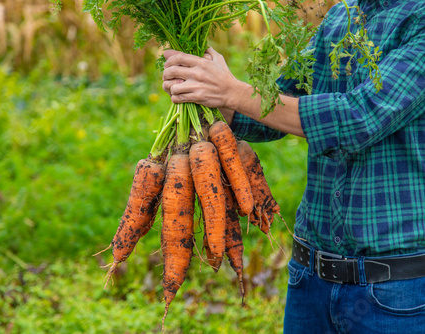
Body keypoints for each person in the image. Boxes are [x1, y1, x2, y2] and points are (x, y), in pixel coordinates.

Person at [162, 0, 425, 333]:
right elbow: (279, 102)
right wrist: (207, 90)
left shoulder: (418, 19)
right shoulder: (340, 17)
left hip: (395, 288)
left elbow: (359, 117)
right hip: (309, 278)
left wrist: (232, 91)